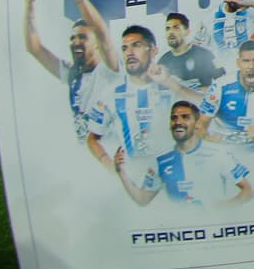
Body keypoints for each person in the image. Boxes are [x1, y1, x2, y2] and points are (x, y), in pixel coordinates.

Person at [21, 0, 120, 140]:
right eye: (73, 38)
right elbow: (35, 49)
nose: (75, 42)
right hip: (87, 152)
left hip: (111, 150)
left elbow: (101, 31)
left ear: (97, 45)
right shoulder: (72, 73)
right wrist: (29, 5)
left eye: (82, 37)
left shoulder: (109, 70)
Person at [86, 26, 204, 174]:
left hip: (175, 174)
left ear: (153, 50)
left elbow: (206, 105)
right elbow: (92, 138)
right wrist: (111, 167)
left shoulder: (169, 85)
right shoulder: (112, 94)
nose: (129, 52)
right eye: (124, 48)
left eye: (136, 45)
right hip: (135, 179)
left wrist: (168, 82)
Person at [114, 100, 254, 207]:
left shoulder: (218, 153)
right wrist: (121, 172)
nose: (178, 122)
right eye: (174, 118)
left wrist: (220, 209)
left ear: (196, 123)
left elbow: (248, 191)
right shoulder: (161, 161)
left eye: (185, 117)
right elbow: (142, 199)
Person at [200, 40, 254, 160]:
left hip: (253, 153)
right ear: (238, 63)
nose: (251, 67)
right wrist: (209, 138)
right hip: (220, 152)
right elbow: (200, 125)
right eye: (246, 61)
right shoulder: (220, 86)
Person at [157, 12, 224, 91]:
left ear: (187, 31)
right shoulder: (163, 62)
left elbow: (223, 83)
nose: (171, 32)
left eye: (176, 27)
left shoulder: (205, 55)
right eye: (168, 28)